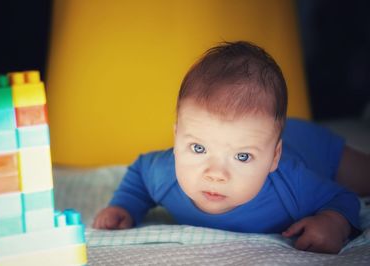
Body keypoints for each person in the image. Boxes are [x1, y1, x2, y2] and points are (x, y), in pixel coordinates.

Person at [93, 41, 367, 254]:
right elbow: (139, 172)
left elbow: (342, 198)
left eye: (242, 156)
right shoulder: (163, 172)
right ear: (176, 139)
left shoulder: (293, 182)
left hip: (313, 146)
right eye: (198, 148)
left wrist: (334, 222)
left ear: (274, 157)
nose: (216, 174)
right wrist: (125, 206)